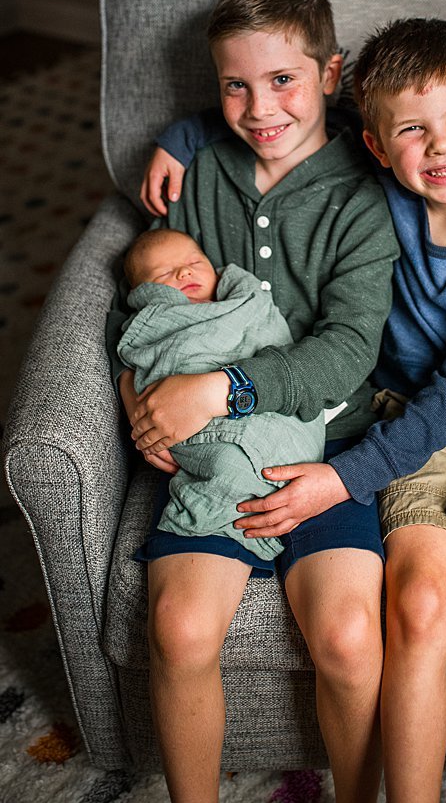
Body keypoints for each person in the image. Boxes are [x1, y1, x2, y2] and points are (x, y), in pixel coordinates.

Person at [232, 18, 446, 803]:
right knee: (419, 605)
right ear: (379, 147)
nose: (442, 145)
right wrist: (178, 138)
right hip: (403, 417)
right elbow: (286, 123)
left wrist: (341, 479)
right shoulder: (374, 186)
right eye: (413, 130)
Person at [116, 0, 398, 803]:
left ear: (330, 75)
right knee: (179, 629)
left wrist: (223, 389)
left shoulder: (363, 195)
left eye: (283, 80)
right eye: (235, 85)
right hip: (214, 468)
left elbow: (350, 350)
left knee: (349, 639)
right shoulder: (198, 175)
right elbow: (156, 302)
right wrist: (142, 394)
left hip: (330, 454)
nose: (260, 105)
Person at [116, 228, 327, 560]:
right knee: (229, 464)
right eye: (164, 274)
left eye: (194, 262)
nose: (184, 272)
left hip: (270, 396)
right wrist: (130, 389)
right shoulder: (157, 320)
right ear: (142, 293)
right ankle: (238, 498)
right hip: (188, 416)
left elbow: (274, 341)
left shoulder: (245, 299)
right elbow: (142, 349)